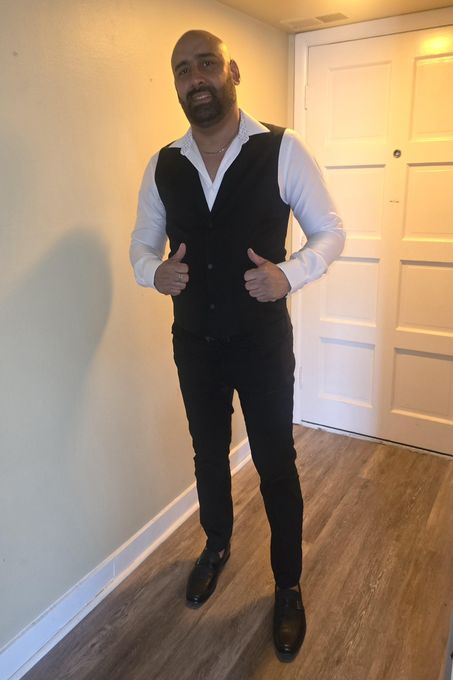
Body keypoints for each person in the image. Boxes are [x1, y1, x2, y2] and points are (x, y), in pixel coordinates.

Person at [130, 29, 345, 661]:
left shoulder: (282, 148)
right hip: (194, 342)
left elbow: (330, 231)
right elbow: (142, 243)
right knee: (207, 453)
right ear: (177, 84)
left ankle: (288, 585)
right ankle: (216, 544)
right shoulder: (164, 164)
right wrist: (152, 273)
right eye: (182, 69)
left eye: (206, 64)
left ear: (232, 72)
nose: (195, 77)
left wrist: (289, 275)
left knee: (276, 462)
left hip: (260, 343)